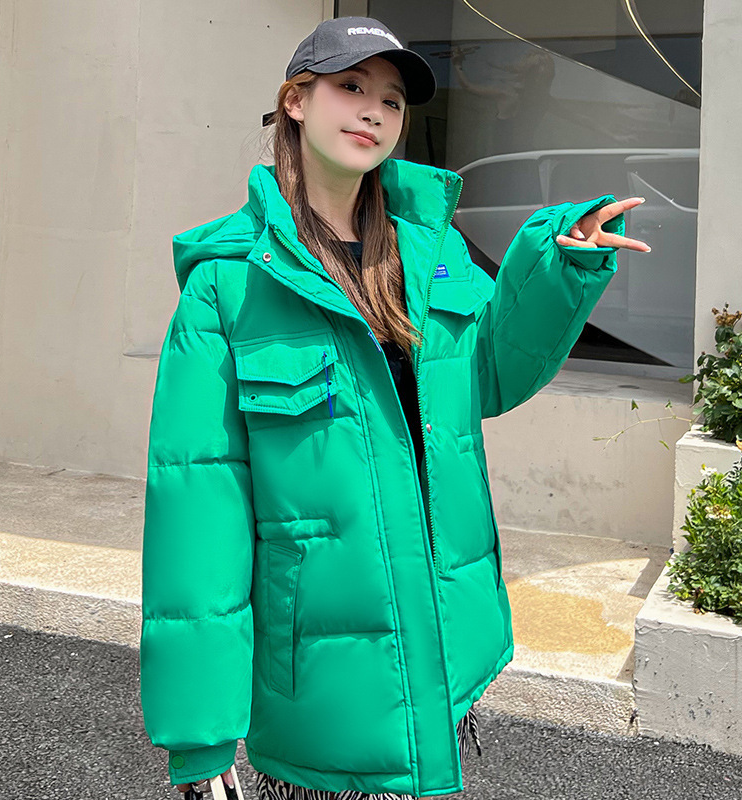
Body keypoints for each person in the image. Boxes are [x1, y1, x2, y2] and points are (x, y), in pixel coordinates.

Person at [139, 15, 651, 800]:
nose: (373, 111)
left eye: (391, 99)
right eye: (351, 87)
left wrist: (556, 268)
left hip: (440, 648)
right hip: (324, 680)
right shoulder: (230, 284)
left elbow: (488, 375)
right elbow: (197, 508)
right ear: (296, 101)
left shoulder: (430, 250)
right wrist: (201, 739)